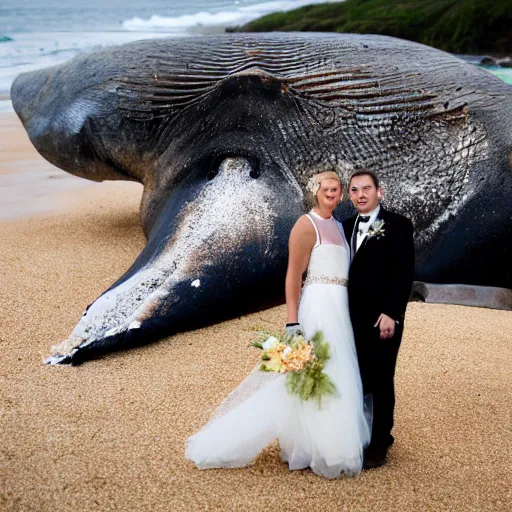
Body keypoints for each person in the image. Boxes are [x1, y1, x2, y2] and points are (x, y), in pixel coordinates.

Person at [185, 171, 371, 478]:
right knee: (311, 373)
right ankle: (310, 446)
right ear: (316, 192)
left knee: (338, 372)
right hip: (319, 305)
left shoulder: (339, 226)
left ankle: (331, 445)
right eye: (326, 189)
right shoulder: (305, 225)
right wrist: (292, 321)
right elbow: (293, 275)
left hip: (341, 306)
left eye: (336, 190)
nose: (331, 194)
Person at [342, 169, 415, 469]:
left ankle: (380, 443)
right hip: (350, 318)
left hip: (382, 317)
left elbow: (403, 272)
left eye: (366, 189)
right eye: (355, 190)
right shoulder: (345, 226)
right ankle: (359, 434)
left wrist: (392, 313)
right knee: (357, 378)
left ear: (379, 192)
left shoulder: (398, 225)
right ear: (350, 196)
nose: (361, 195)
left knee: (382, 378)